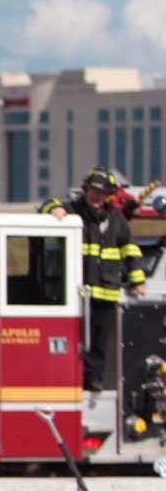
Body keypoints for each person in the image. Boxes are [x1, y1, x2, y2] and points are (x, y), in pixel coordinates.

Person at [44, 167, 145, 393]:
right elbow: (45, 205)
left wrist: (137, 281)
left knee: (100, 342)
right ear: (85, 190)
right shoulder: (73, 211)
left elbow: (130, 249)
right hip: (79, 293)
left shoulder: (116, 219)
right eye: (92, 190)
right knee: (75, 340)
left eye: (101, 192)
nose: (95, 196)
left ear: (108, 194)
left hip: (106, 291)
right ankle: (75, 378)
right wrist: (56, 209)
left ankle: (94, 381)